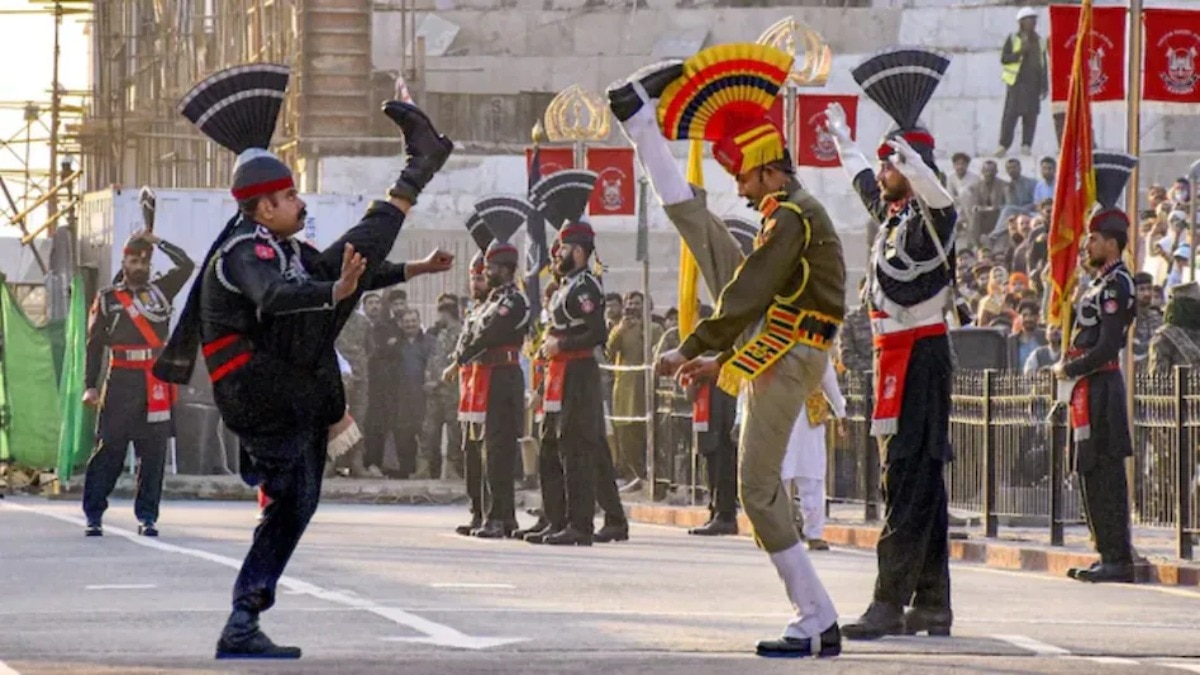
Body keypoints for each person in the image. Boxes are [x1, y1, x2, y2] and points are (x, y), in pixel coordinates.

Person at [153, 63, 454, 658]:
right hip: (258, 384)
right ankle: (418, 168)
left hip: (289, 381)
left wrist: (410, 270)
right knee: (337, 275)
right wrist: (335, 292)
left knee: (300, 498)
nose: (301, 201)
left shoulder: (280, 246)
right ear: (263, 207)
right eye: (290, 196)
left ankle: (243, 619)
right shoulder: (244, 251)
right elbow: (274, 296)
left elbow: (337, 274)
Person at [609, 46, 845, 657]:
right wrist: (717, 359)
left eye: (742, 176)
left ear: (766, 168)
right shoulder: (787, 213)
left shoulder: (791, 217)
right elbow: (759, 303)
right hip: (776, 343)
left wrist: (693, 345)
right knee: (701, 230)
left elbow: (747, 295)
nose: (738, 189)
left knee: (757, 490)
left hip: (789, 355)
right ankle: (640, 124)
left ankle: (816, 617)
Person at [824, 46, 960, 639]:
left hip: (921, 357)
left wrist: (913, 158)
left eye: (891, 165)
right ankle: (931, 603)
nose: (883, 174)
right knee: (919, 482)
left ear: (912, 164)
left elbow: (937, 194)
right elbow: (865, 185)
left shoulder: (935, 213)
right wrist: (845, 145)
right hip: (894, 357)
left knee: (905, 478)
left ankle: (887, 601)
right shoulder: (897, 215)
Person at [525, 172, 629, 546]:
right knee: (555, 446)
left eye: (563, 248)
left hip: (579, 374)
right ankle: (559, 517)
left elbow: (596, 333)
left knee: (576, 447)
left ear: (580, 252)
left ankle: (580, 524)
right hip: (559, 374)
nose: (556, 254)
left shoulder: (585, 287)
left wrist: (561, 344)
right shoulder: (564, 286)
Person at [1057, 153, 1139, 584]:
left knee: (1106, 472)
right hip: (1088, 386)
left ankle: (1118, 557)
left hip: (1103, 385)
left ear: (1111, 242)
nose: (1087, 245)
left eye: (1092, 239)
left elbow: (1108, 342)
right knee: (1088, 469)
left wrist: (1072, 368)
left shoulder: (1117, 284)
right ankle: (1104, 550)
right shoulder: (1098, 282)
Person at [81, 231, 195, 537]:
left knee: (154, 453)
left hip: (155, 380)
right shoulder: (108, 298)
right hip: (121, 379)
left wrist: (158, 241)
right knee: (110, 449)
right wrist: (90, 384)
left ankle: (147, 516)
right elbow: (94, 345)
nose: (140, 266)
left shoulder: (161, 291)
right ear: (124, 262)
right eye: (134, 261)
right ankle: (94, 515)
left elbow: (186, 265)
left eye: (145, 261)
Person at [454, 196, 532, 538]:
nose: (486, 273)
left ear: (506, 268)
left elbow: (489, 334)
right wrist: (464, 351)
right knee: (478, 450)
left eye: (492, 267)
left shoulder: (514, 300)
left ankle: (500, 516)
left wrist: (465, 350)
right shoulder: (490, 301)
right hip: (482, 377)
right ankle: (484, 513)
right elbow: (470, 334)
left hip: (502, 378)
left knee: (498, 451)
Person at [448, 213, 493, 536]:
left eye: (481, 278)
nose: (475, 284)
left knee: (487, 452)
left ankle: (491, 512)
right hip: (469, 387)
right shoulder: (473, 309)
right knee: (470, 452)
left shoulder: (495, 306)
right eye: (472, 278)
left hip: (489, 384)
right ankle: (476, 510)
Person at [783, 356, 846, 552]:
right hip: (777, 420)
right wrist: (741, 418)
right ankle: (779, 532)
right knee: (778, 478)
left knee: (812, 477)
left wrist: (840, 412)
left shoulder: (816, 348)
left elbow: (828, 379)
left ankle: (814, 534)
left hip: (810, 418)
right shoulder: (770, 344)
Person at [996, 6, 1047, 157]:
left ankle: (1026, 145)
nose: (1033, 23)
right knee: (1010, 115)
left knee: (1031, 115)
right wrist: (1020, 52)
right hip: (1016, 83)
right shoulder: (1013, 38)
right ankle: (1003, 145)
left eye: (1034, 20)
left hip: (1033, 83)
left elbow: (1043, 64)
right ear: (1021, 22)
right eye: (1029, 20)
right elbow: (1004, 59)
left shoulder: (1040, 41)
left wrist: (1044, 86)